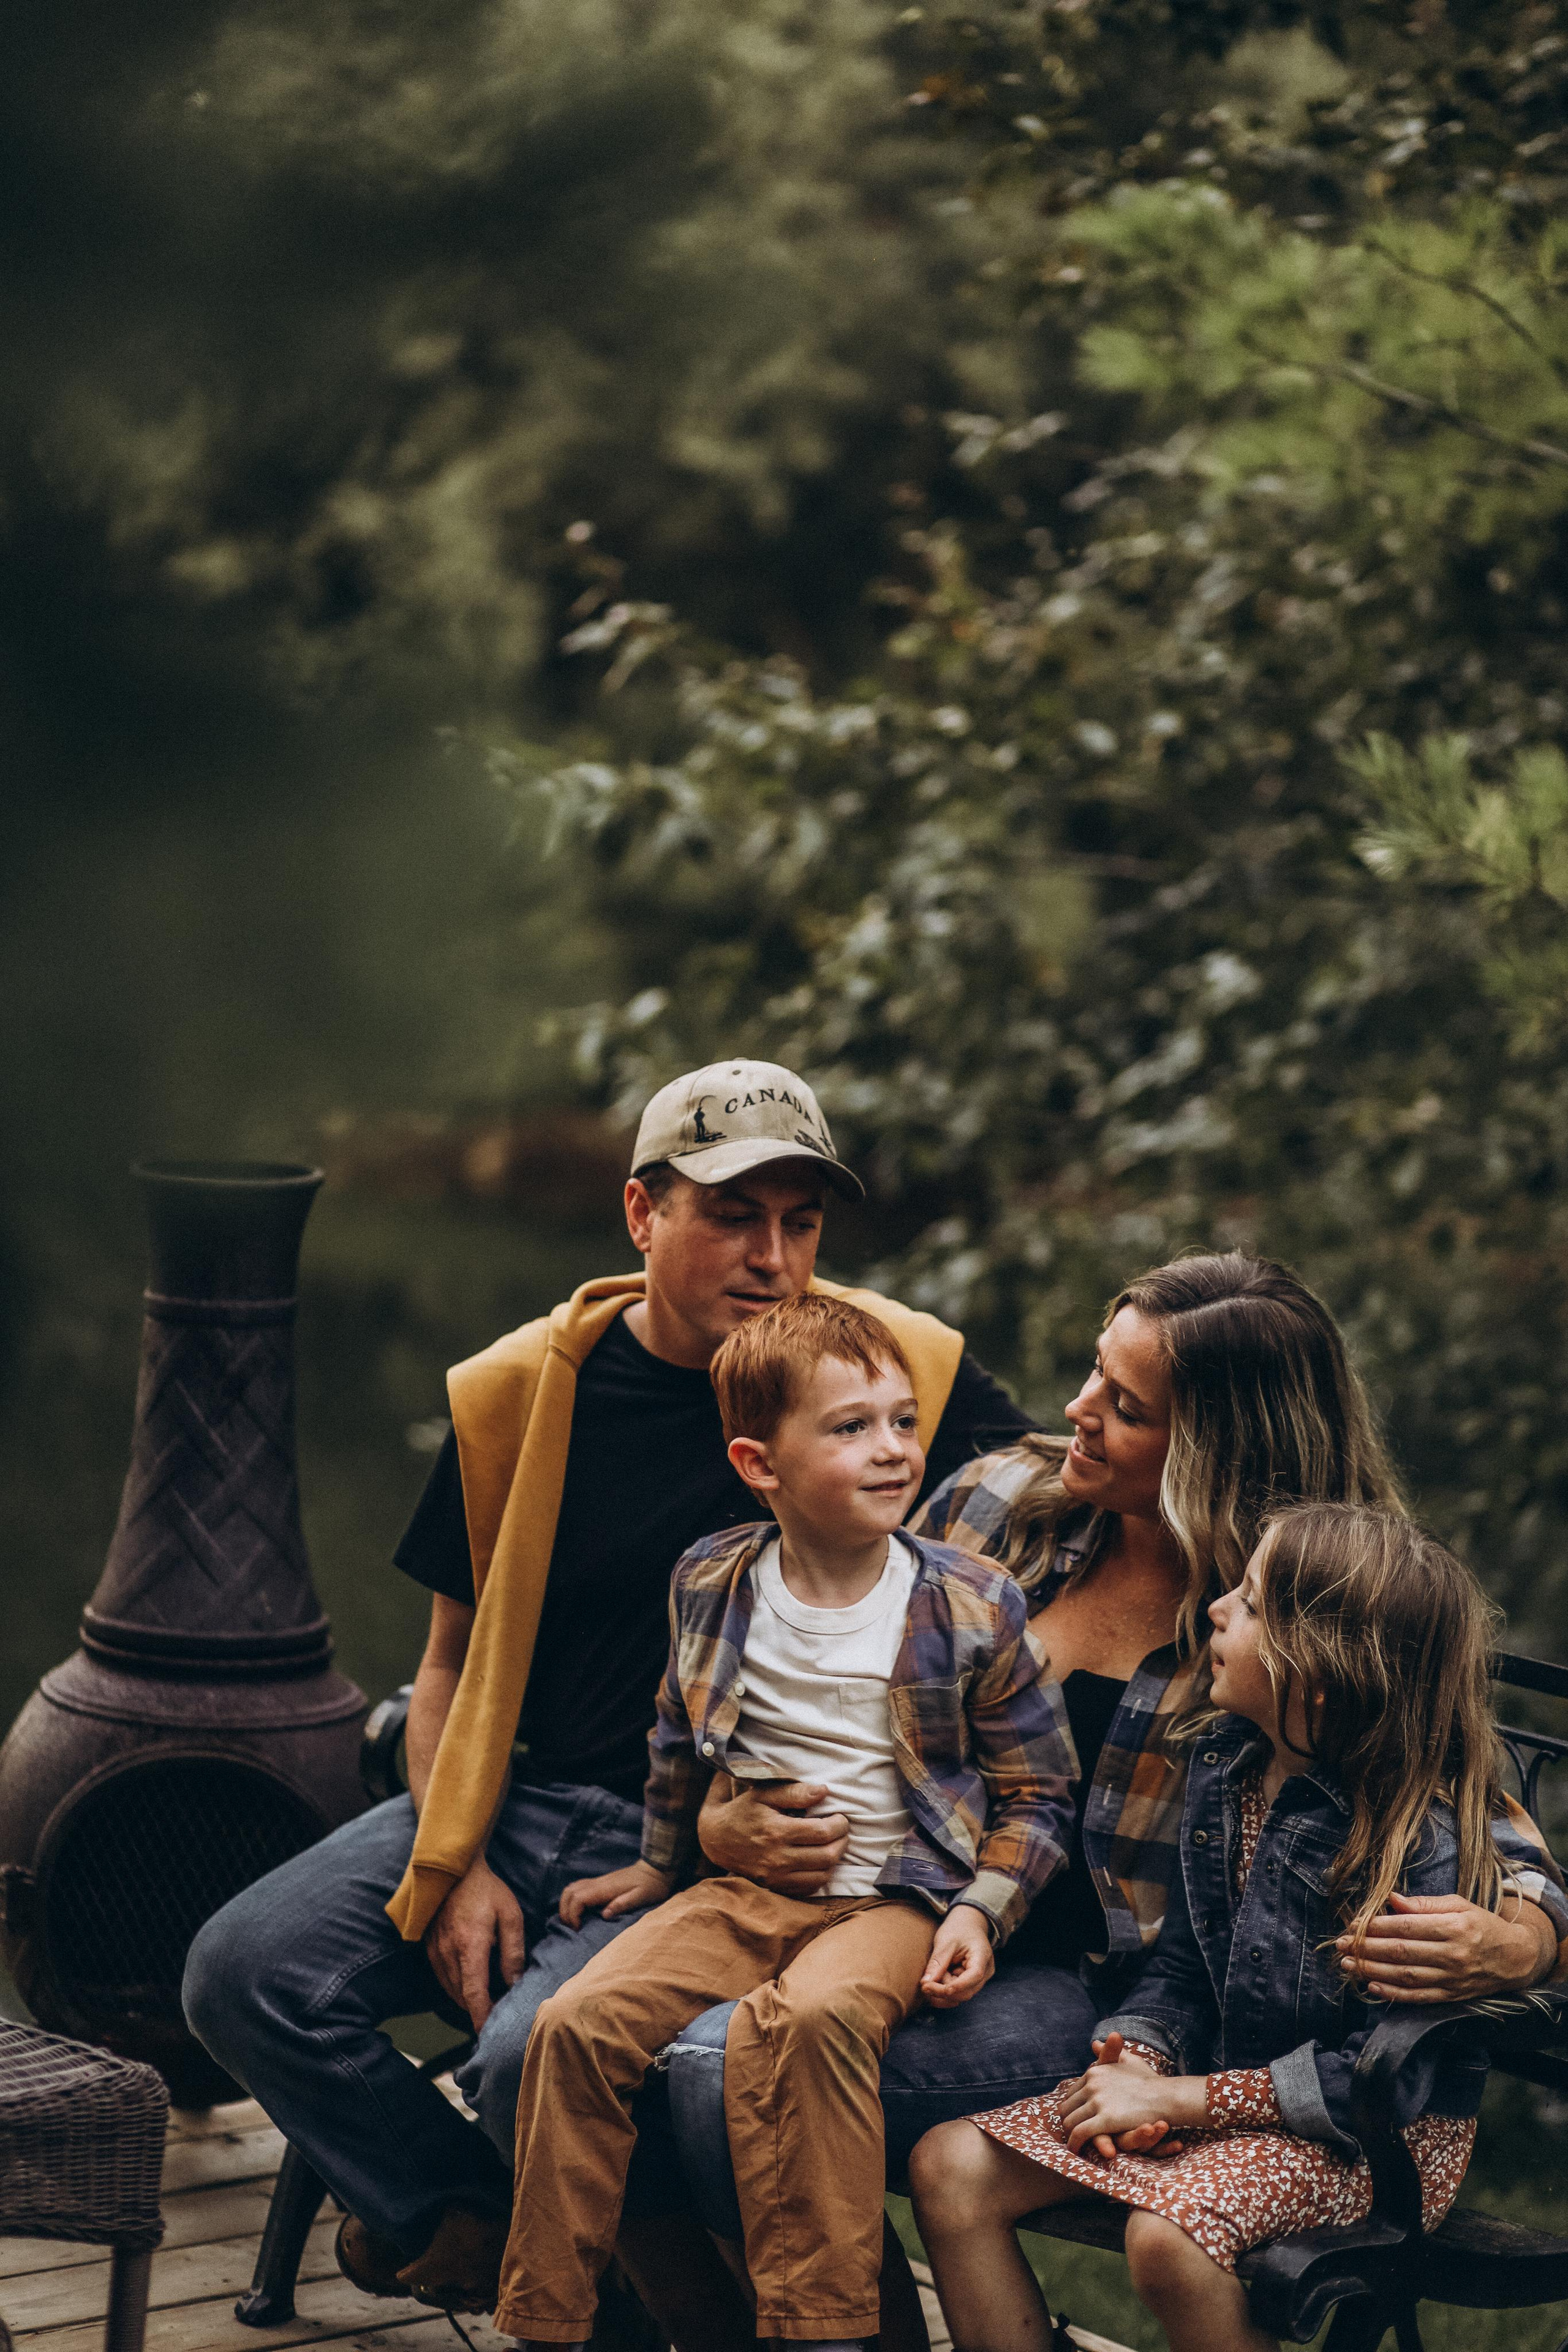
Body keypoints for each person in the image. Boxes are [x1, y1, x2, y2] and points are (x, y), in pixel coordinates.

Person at [181, 1058, 1035, 2314]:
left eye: (799, 1223)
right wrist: (456, 1858)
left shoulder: (885, 1373)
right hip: (518, 1804)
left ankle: (572, 2287)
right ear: (641, 1218)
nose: (773, 1258)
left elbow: (1064, 1492)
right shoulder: (518, 1393)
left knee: (534, 2049)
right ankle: (467, 2220)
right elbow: (448, 1663)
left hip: (713, 1851)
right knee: (240, 1973)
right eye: (732, 1216)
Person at [659, 1254, 1565, 2246]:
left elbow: (1480, 1819)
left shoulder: (1303, 1611)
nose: (1077, 1406)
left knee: (723, 2070)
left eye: (1125, 1406)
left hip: (1091, 1997)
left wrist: (1519, 1942)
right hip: (886, 1913)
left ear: (1218, 1450)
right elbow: (818, 1679)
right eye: (1097, 1370)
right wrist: (722, 1813)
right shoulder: (997, 1502)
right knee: (592, 2046)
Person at [492, 1293, 1075, 2351]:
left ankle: (823, 2331)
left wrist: (981, 1912)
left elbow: (1039, 1794)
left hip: (899, 1895)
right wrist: (658, 1865)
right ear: (760, 1464)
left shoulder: (972, 1603)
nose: (893, 1450)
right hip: (748, 1890)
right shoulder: (713, 1582)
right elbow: (676, 1736)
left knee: (807, 2027)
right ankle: (550, 2320)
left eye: (903, 1421)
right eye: (850, 1428)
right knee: (570, 2028)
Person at [908, 1502, 1554, 2352]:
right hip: (1223, 2095)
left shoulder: (1415, 1842)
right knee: (950, 2166)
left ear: (1314, 1669)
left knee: (1168, 2241)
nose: (1217, 1608)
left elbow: (1381, 2082)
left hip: (1369, 2144)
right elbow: (1183, 1968)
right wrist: (1138, 2053)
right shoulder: (1226, 1770)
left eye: (1248, 1603)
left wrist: (1181, 2099)